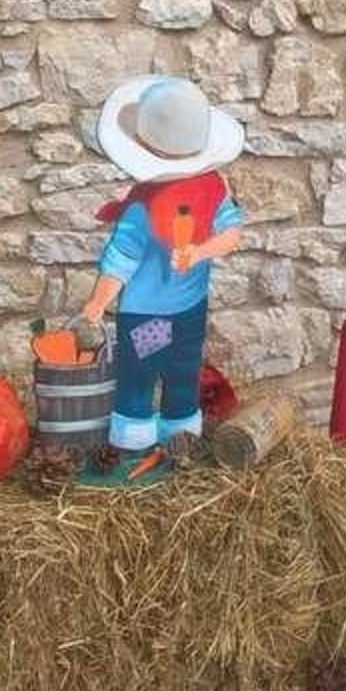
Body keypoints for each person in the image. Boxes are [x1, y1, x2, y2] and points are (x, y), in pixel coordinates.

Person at [81, 76, 244, 456]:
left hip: (163, 312)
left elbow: (121, 260)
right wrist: (200, 253)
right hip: (174, 311)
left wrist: (99, 301)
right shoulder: (206, 191)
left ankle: (149, 435)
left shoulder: (149, 205)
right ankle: (164, 432)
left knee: (159, 372)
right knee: (165, 370)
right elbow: (230, 234)